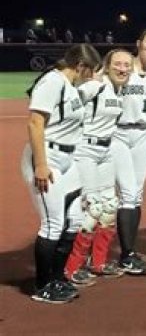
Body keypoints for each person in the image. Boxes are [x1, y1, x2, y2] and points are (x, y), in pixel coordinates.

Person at [20, 44, 101, 303]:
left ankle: (57, 277)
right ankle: (43, 285)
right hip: (47, 157)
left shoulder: (71, 85)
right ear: (80, 66)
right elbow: (35, 123)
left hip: (67, 159)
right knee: (53, 224)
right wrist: (41, 165)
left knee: (74, 220)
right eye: (90, 70)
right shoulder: (52, 82)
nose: (91, 76)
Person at [63, 49, 131, 284]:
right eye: (118, 64)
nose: (123, 69)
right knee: (93, 209)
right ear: (107, 66)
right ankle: (72, 267)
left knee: (110, 207)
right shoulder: (95, 86)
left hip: (106, 151)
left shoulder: (120, 90)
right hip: (86, 150)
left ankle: (98, 262)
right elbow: (67, 105)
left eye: (127, 65)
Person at [113, 26, 146, 275]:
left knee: (135, 194)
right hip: (119, 132)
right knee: (126, 193)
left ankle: (128, 251)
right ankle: (125, 254)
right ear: (138, 43)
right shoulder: (124, 67)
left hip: (144, 133)